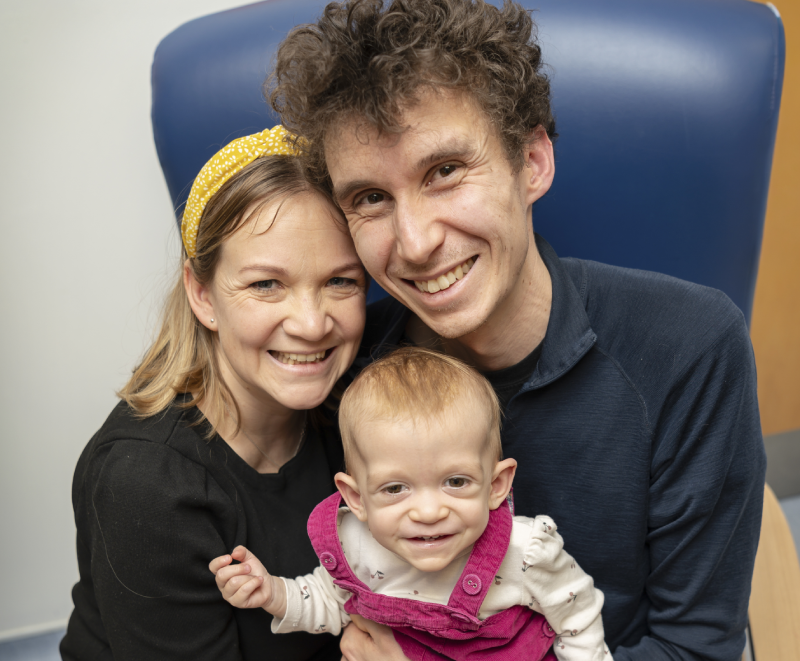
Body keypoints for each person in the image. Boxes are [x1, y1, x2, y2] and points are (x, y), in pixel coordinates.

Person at [267, 1, 766, 660]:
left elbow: (694, 650)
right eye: (370, 199)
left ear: (531, 161)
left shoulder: (690, 346)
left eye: (444, 171)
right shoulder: (344, 365)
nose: (414, 244)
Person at [60, 126, 367, 661]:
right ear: (202, 295)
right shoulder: (145, 482)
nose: (314, 324)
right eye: (266, 284)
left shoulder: (356, 410)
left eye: (341, 281)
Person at [211, 348, 611, 661]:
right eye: (395, 489)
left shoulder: (525, 552)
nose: (427, 512)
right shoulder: (354, 544)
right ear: (356, 499)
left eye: (455, 482)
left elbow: (579, 617)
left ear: (497, 485)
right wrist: (271, 593)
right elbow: (330, 603)